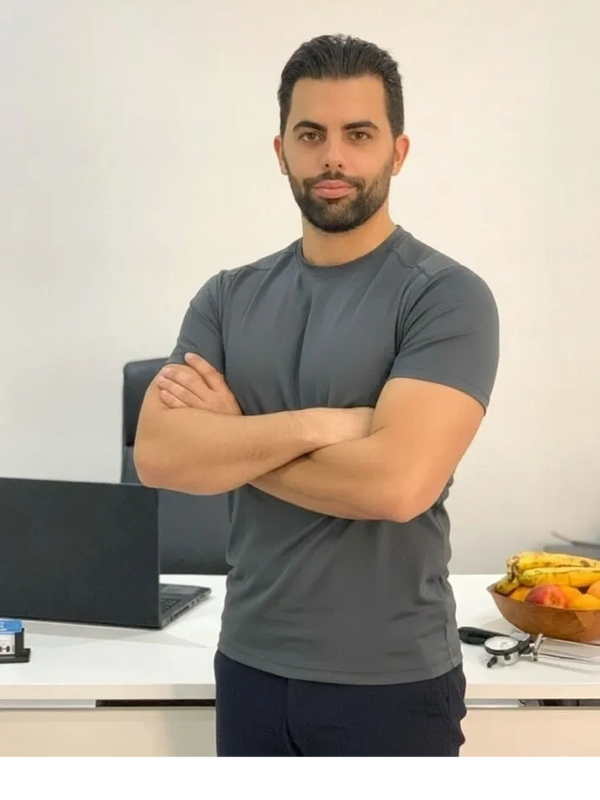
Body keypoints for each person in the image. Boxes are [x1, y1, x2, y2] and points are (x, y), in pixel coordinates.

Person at [134, 33, 500, 760]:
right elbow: (161, 457)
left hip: (392, 686)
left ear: (397, 151)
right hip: (249, 669)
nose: (333, 156)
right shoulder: (228, 297)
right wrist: (322, 425)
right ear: (281, 151)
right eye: (312, 134)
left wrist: (234, 443)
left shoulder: (446, 299)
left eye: (357, 134)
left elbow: (397, 487)